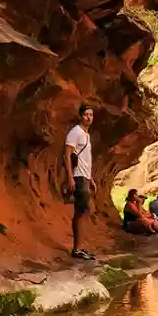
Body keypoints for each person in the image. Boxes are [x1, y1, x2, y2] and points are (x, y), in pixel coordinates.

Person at [64, 104, 96, 260]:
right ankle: (77, 249)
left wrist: (91, 179)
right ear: (80, 116)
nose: (89, 117)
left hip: (85, 177)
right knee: (80, 212)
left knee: (83, 211)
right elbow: (67, 155)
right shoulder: (75, 132)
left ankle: (80, 247)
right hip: (78, 177)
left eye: (91, 114)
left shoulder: (87, 135)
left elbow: (85, 160)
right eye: (86, 115)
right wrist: (70, 177)